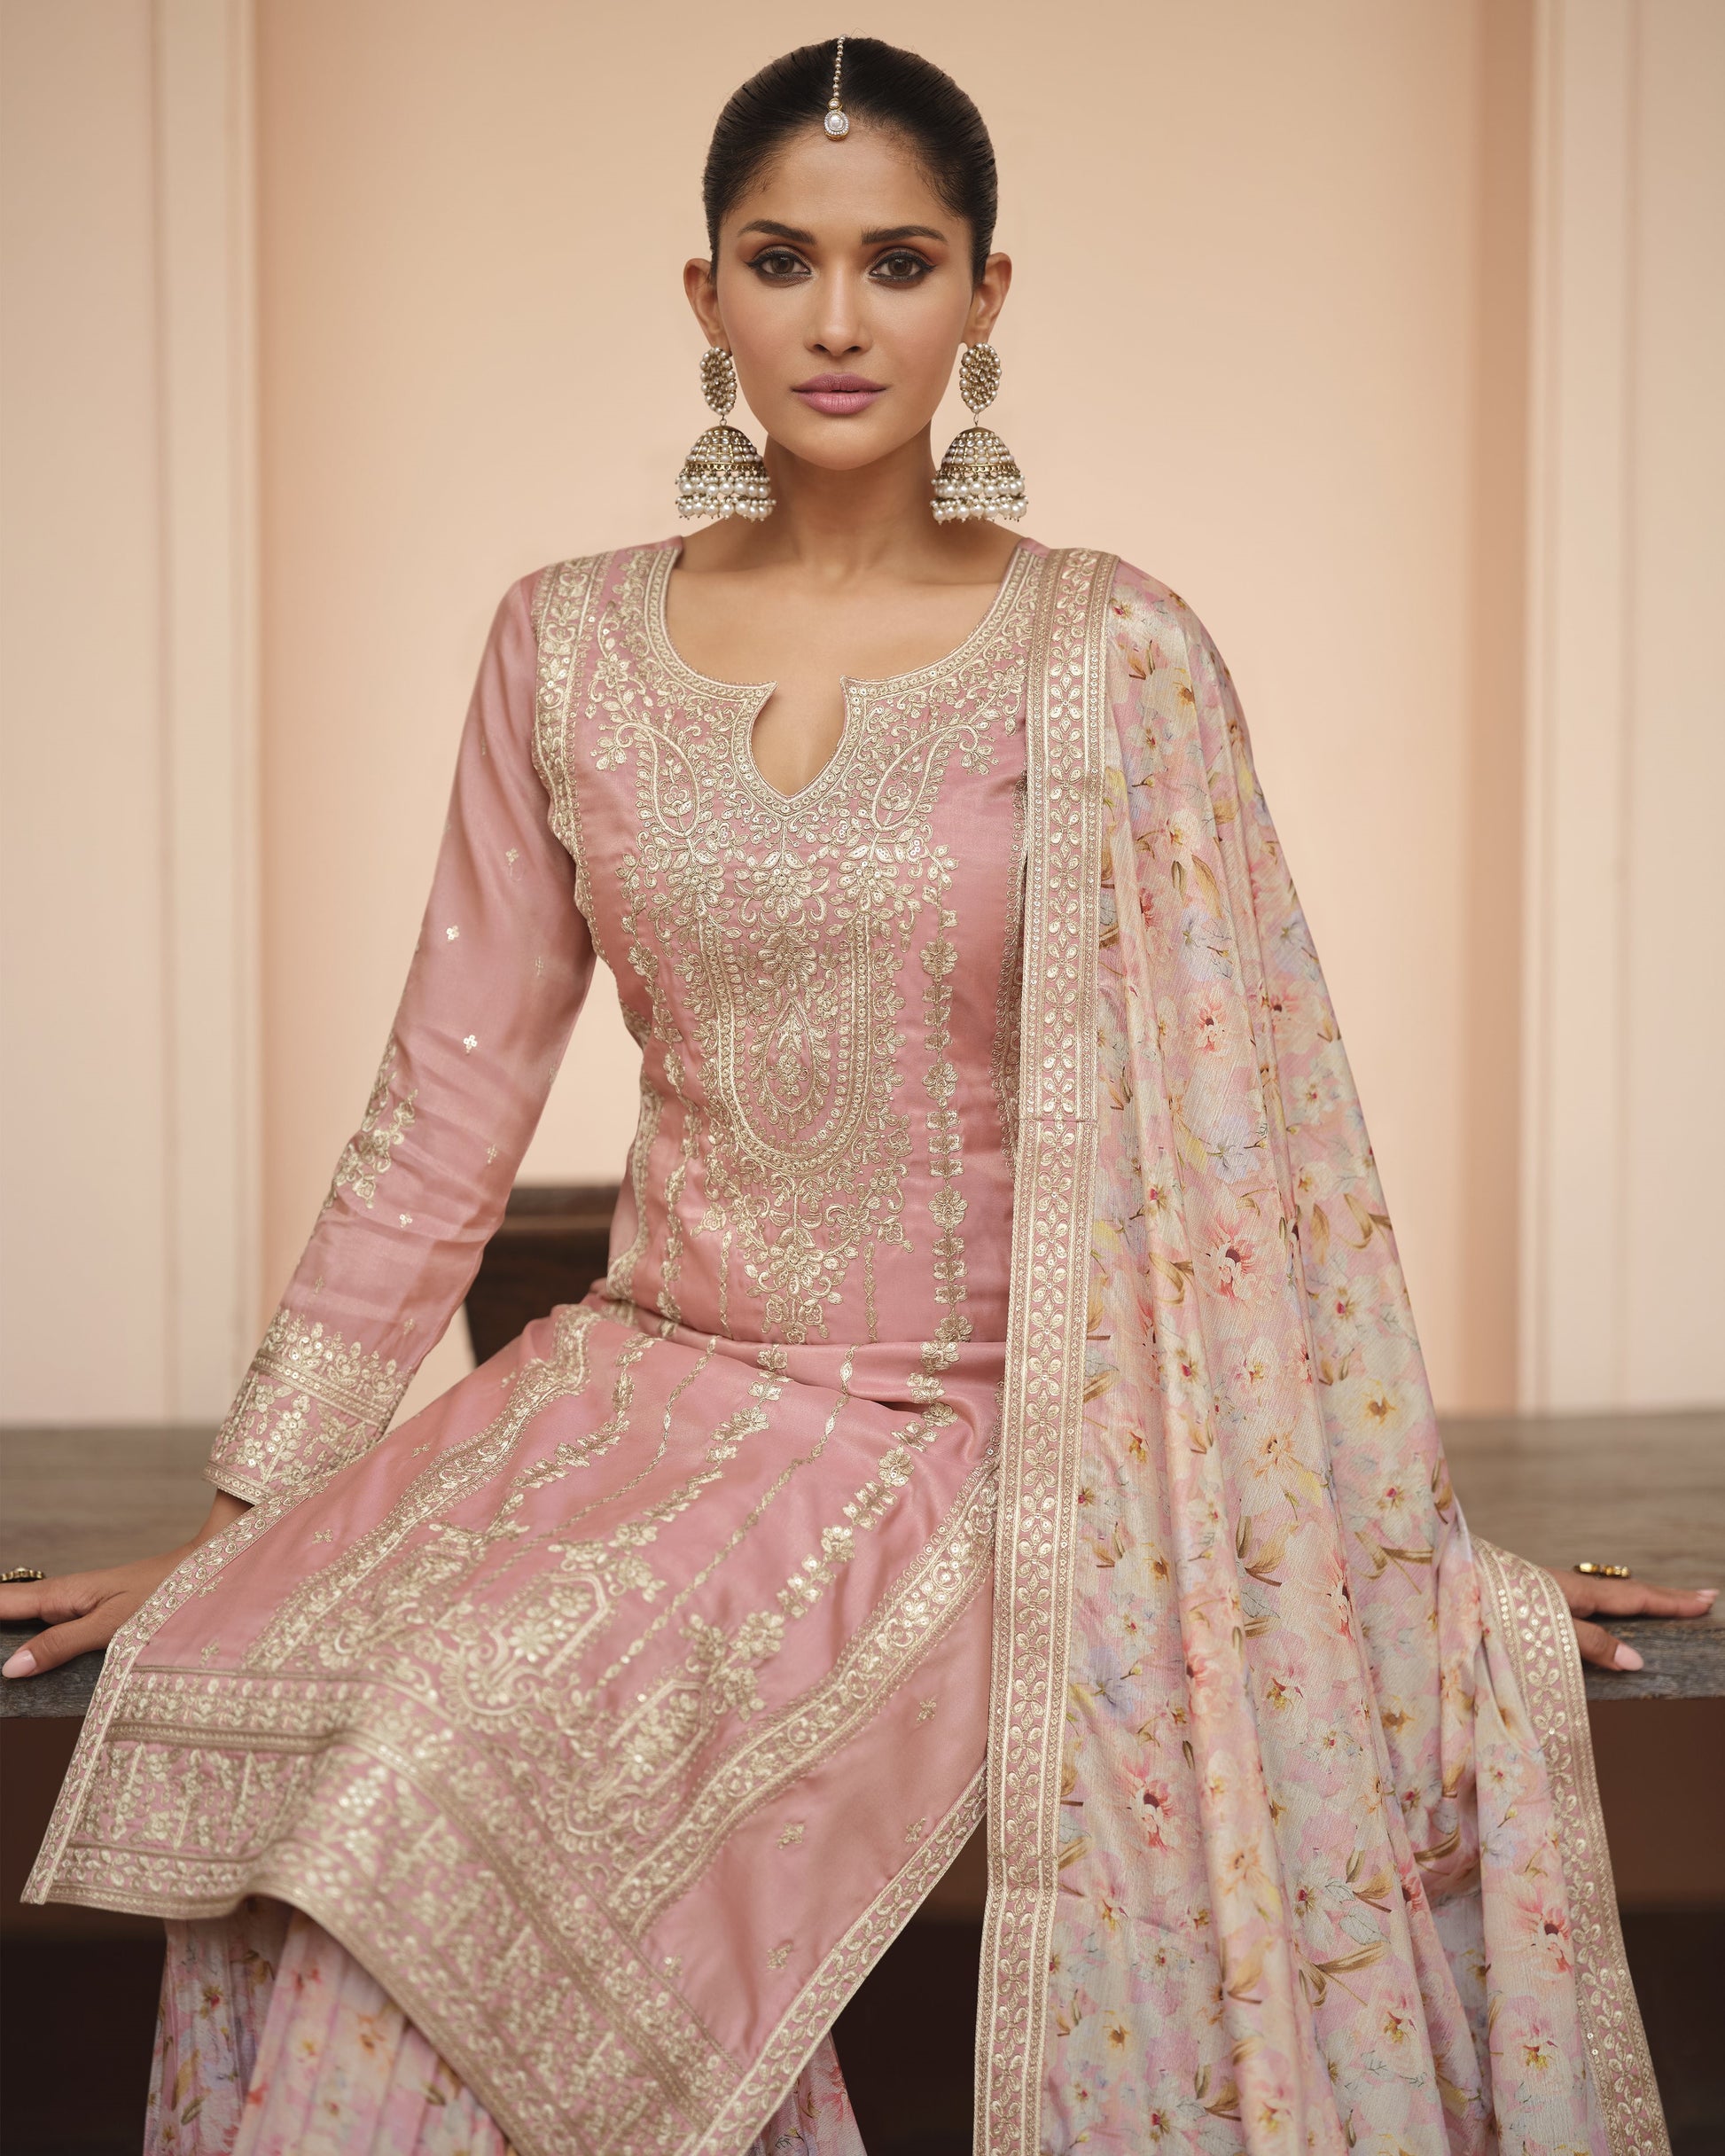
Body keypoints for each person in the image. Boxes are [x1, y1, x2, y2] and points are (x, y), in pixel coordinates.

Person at [2, 36, 1709, 2156]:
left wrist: (1380, 1539)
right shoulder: (559, 647)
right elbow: (442, 1107)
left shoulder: (1112, 656)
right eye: (778, 260)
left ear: (988, 294)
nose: (834, 319)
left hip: (981, 1439)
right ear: (699, 292)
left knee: (469, 1758)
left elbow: (1270, 1162)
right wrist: (254, 1517)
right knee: (317, 1744)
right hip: (630, 1399)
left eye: (896, 260)